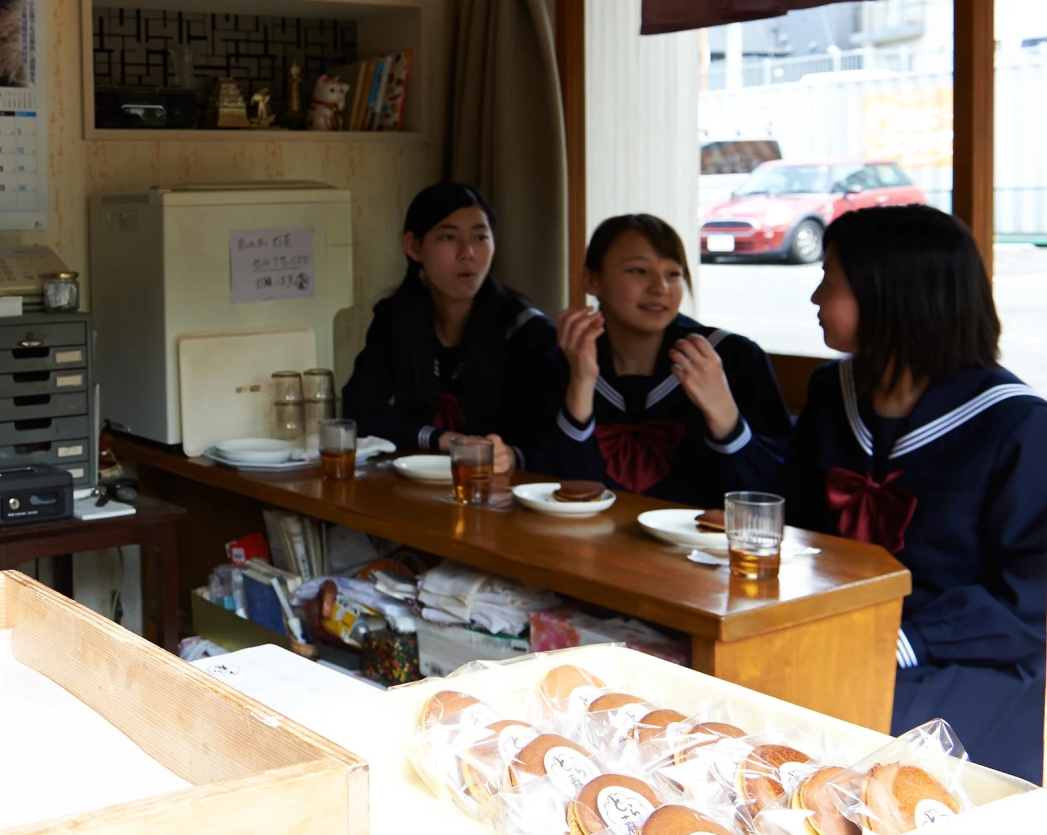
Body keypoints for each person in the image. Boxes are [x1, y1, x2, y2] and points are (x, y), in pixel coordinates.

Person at [782, 206, 1045, 783]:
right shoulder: (833, 393)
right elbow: (797, 529)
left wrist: (905, 638)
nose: (816, 297)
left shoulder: (1016, 427)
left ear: (890, 295)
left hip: (964, 654)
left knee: (846, 739)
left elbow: (1031, 599)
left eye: (831, 278)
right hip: (837, 627)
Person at [544, 214, 789, 505]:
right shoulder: (560, 360)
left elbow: (773, 493)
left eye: (673, 274)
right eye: (638, 271)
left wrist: (726, 418)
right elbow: (548, 488)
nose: (660, 287)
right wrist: (581, 384)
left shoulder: (732, 358)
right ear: (592, 280)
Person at [342, 183, 560, 474]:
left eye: (480, 237)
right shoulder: (396, 318)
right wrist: (440, 439)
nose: (467, 252)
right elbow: (358, 410)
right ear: (414, 247)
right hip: (416, 485)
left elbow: (549, 439)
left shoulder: (527, 332)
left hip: (499, 491)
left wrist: (512, 455)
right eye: (448, 237)